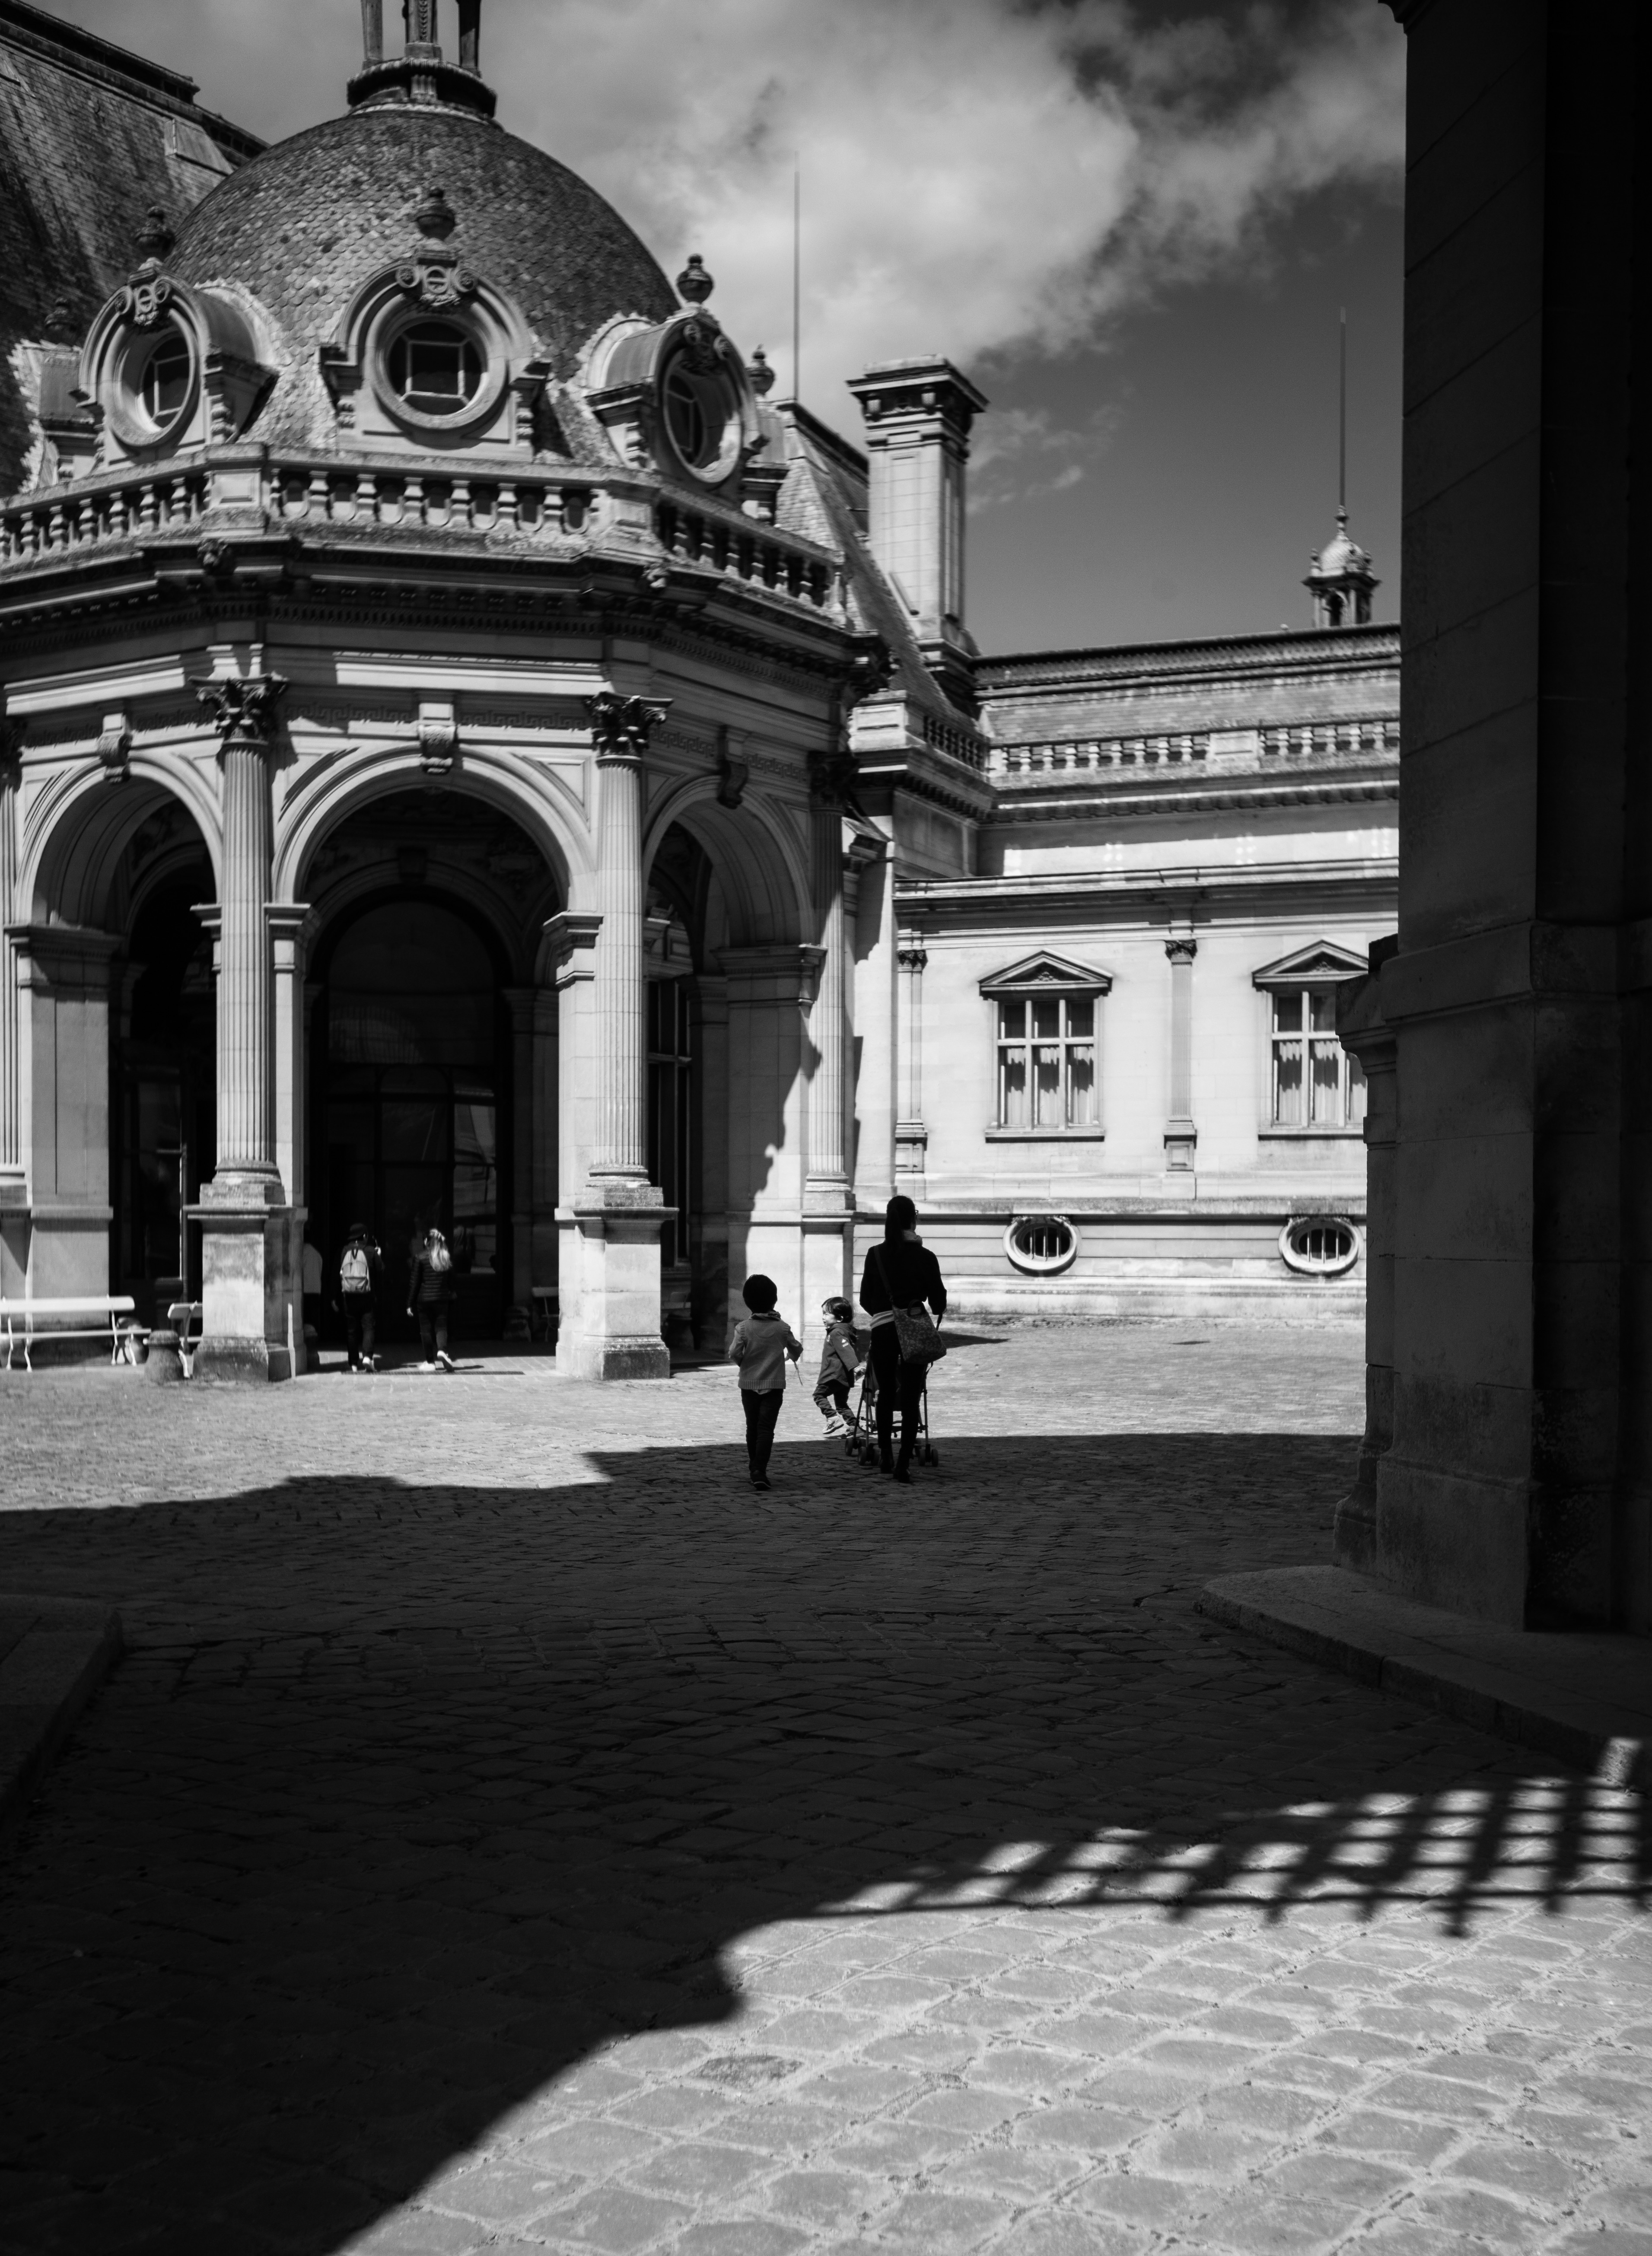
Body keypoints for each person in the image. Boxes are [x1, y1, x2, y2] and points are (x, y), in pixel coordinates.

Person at [858, 1193, 947, 1482]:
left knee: (884, 1393)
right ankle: (903, 1464)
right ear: (913, 1219)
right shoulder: (926, 1256)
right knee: (911, 1397)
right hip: (914, 1329)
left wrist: (886, 1314)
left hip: (883, 1329)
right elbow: (938, 1303)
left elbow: (865, 1299)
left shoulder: (875, 1254)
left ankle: (885, 1454)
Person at [728, 1273, 802, 1490]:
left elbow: (734, 1353)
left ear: (747, 1301)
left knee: (752, 1427)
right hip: (774, 1386)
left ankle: (755, 1468)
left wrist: (744, 1365)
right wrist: (791, 1357)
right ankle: (759, 1469)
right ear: (774, 1300)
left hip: (748, 1386)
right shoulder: (783, 1328)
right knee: (766, 1429)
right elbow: (797, 1348)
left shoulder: (743, 1328)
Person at [335, 1220, 382, 1374]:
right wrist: (378, 1256)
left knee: (352, 1331)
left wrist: (335, 1296)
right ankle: (368, 1357)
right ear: (364, 1236)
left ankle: (354, 1364)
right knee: (368, 1327)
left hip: (349, 1296)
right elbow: (381, 1270)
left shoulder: (344, 1251)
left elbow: (338, 1272)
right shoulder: (370, 1251)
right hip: (367, 1296)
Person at [407, 1224, 455, 1371]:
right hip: (442, 1298)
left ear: (426, 1241)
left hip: (424, 1299)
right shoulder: (445, 1257)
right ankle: (442, 1350)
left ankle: (430, 1362)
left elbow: (415, 1283)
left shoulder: (420, 1257)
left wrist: (410, 1303)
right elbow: (451, 1280)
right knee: (441, 1327)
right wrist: (452, 1292)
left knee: (426, 1330)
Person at [812, 1297, 862, 1439]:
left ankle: (832, 1418)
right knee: (841, 1404)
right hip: (844, 1376)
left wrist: (856, 1367)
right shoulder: (842, 1331)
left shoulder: (837, 1333)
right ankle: (855, 1428)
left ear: (839, 1318)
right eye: (823, 1313)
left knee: (819, 1395)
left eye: (827, 1314)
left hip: (834, 1375)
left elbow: (846, 1350)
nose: (823, 1317)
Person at [300, 1228, 325, 1353]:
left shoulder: (301, 1253)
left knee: (304, 1320)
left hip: (305, 1291)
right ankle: (312, 1348)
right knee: (313, 1321)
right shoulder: (317, 1254)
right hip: (316, 1290)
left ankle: (306, 1347)